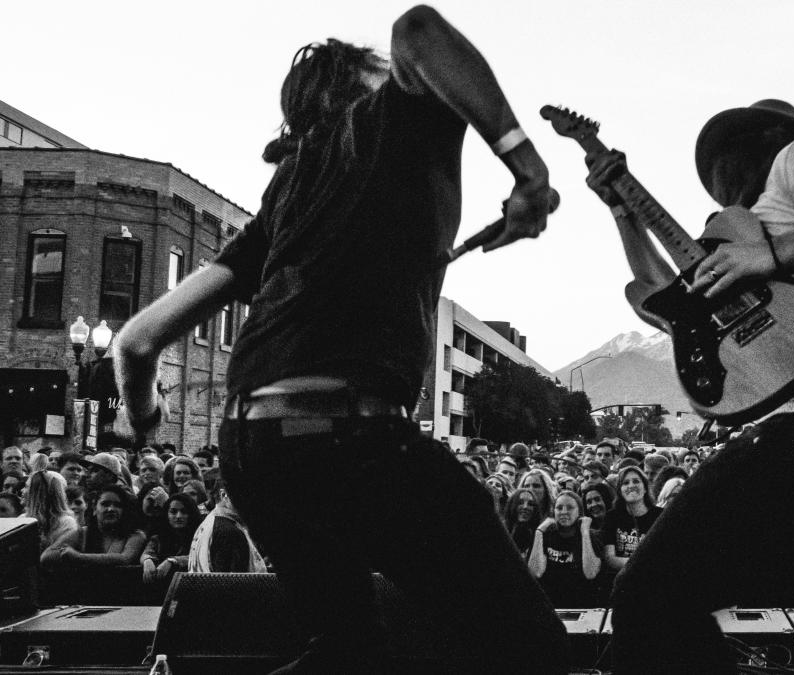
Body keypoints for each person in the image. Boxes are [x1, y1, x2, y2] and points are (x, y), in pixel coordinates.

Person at [113, 7, 566, 672]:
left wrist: (144, 417)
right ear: (361, 84)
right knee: (531, 644)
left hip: (253, 450)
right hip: (351, 435)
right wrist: (527, 167)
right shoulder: (390, 120)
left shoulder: (283, 199)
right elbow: (419, 29)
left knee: (349, 651)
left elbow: (135, 342)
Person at [584, 96, 794, 671]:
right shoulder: (735, 238)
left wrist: (772, 255)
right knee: (662, 602)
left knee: (646, 592)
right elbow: (667, 300)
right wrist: (623, 210)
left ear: (761, 138)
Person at [528, 491, 602, 607]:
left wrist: (585, 532)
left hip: (582, 604)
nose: (564, 512)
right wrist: (539, 532)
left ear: (579, 512)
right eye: (559, 508)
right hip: (551, 604)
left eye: (570, 508)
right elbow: (536, 572)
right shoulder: (545, 535)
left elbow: (590, 573)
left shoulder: (591, 536)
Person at [42, 485, 146, 567]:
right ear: (94, 509)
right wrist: (65, 554)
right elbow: (46, 556)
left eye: (118, 505)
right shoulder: (82, 533)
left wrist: (78, 557)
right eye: (105, 504)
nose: (111, 509)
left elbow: (125, 559)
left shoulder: (135, 535)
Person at [142, 493, 202, 583]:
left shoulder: (200, 536)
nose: (178, 516)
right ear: (167, 514)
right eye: (173, 512)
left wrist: (172, 561)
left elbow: (199, 557)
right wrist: (147, 560)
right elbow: (147, 552)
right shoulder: (158, 537)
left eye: (184, 512)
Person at [24, 471, 78, 555]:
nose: (22, 491)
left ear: (37, 493)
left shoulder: (66, 523)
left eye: (26, 487)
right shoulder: (22, 519)